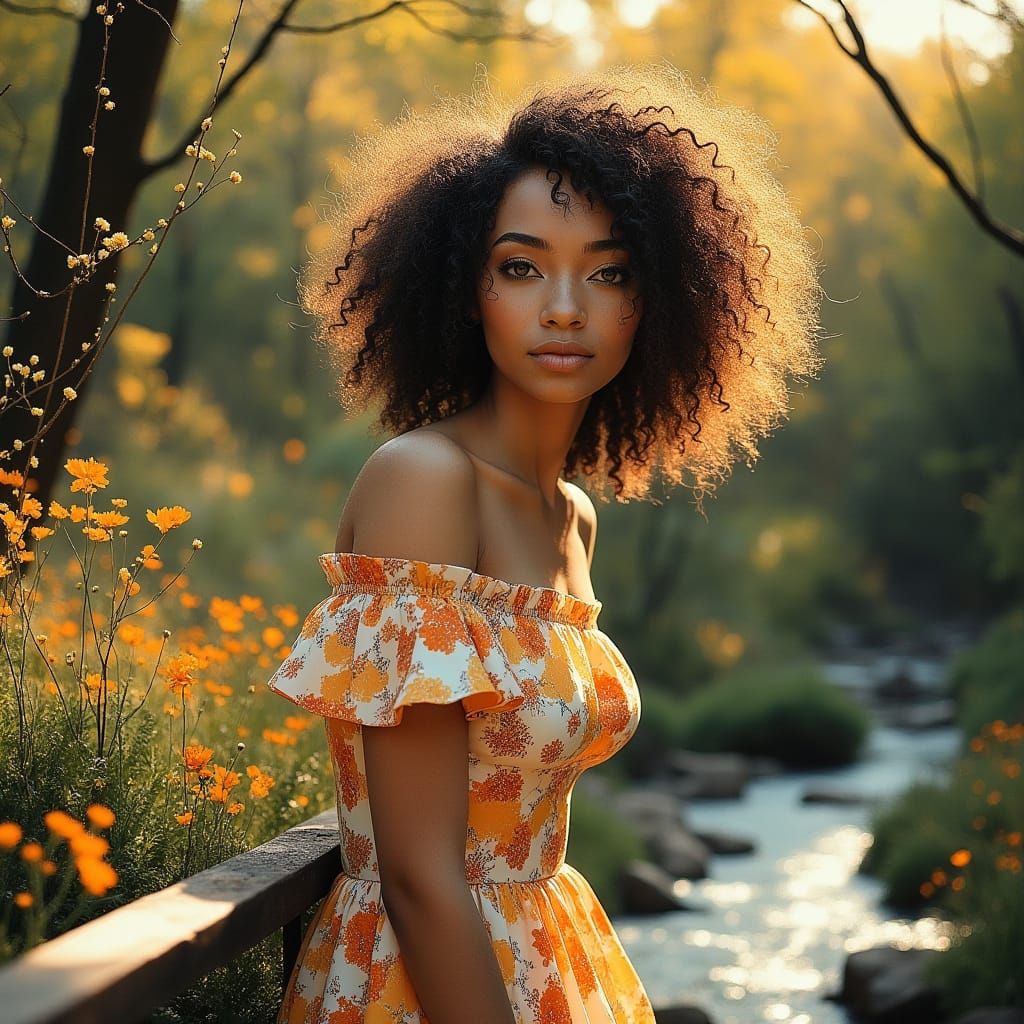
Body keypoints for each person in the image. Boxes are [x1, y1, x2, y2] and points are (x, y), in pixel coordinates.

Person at [266, 64, 822, 1023]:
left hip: (552, 963)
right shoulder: (424, 480)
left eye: (609, 272)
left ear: (656, 300)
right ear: (465, 288)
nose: (565, 307)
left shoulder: (573, 517)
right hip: (425, 986)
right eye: (521, 268)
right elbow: (417, 874)